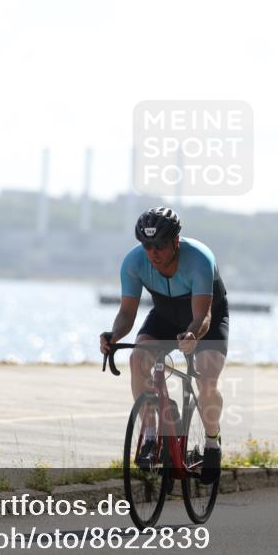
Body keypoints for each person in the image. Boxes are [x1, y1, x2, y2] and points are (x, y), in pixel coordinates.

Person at [99, 206, 229, 484]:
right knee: (138, 359)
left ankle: (212, 442)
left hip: (205, 318)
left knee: (207, 381)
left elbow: (202, 315)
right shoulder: (134, 263)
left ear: (176, 242)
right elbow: (126, 314)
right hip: (165, 315)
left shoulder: (199, 259)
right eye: (147, 245)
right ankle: (149, 433)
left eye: (159, 245)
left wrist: (193, 335)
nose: (153, 252)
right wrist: (114, 335)